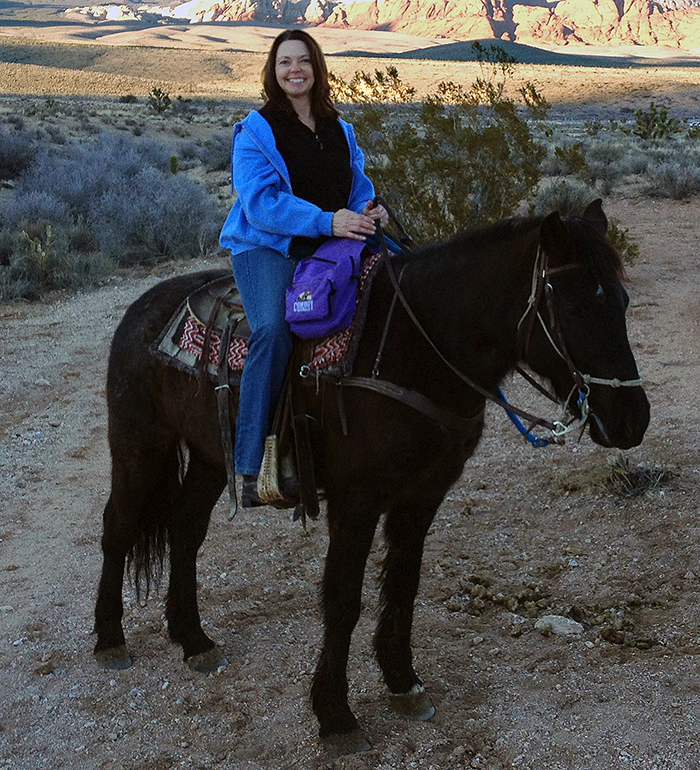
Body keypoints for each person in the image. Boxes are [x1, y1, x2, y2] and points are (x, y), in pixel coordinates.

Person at [219, 29, 388, 507]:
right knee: (273, 330)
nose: (294, 70)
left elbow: (357, 186)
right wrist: (326, 221)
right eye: (284, 63)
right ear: (273, 73)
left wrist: (369, 210)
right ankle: (249, 467)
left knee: (395, 294)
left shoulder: (339, 127)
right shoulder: (256, 130)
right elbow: (261, 204)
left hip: (329, 241)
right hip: (267, 246)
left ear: (316, 67)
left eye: (303, 61)